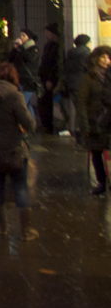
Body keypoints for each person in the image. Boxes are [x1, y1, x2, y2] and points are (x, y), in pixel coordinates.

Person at [0, 62, 37, 240]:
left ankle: (2, 229)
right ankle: (26, 231)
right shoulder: (14, 94)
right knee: (20, 187)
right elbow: (28, 123)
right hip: (15, 147)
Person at [77, 45, 111, 195]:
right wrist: (85, 125)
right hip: (95, 121)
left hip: (109, 120)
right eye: (103, 57)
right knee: (96, 154)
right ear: (96, 59)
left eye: (108, 57)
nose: (106, 60)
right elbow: (82, 102)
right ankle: (102, 182)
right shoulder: (89, 78)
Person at [59, 34, 92, 136]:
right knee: (82, 107)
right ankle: (80, 129)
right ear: (86, 43)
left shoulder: (71, 53)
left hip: (71, 83)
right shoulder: (86, 53)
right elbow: (89, 69)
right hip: (82, 84)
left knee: (75, 107)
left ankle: (73, 128)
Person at [9, 29, 41, 125]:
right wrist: (15, 49)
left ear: (29, 38)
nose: (21, 38)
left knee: (22, 103)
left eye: (23, 35)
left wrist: (21, 48)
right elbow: (11, 59)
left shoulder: (33, 49)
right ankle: (31, 124)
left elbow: (29, 58)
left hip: (29, 80)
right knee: (27, 104)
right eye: (20, 35)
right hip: (20, 79)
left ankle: (26, 124)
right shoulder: (20, 49)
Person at [38, 24, 60, 134]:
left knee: (49, 101)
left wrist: (51, 79)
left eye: (48, 32)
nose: (46, 34)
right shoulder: (48, 46)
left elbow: (54, 64)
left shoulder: (56, 47)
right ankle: (47, 124)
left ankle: (50, 125)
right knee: (44, 101)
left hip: (50, 79)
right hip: (45, 78)